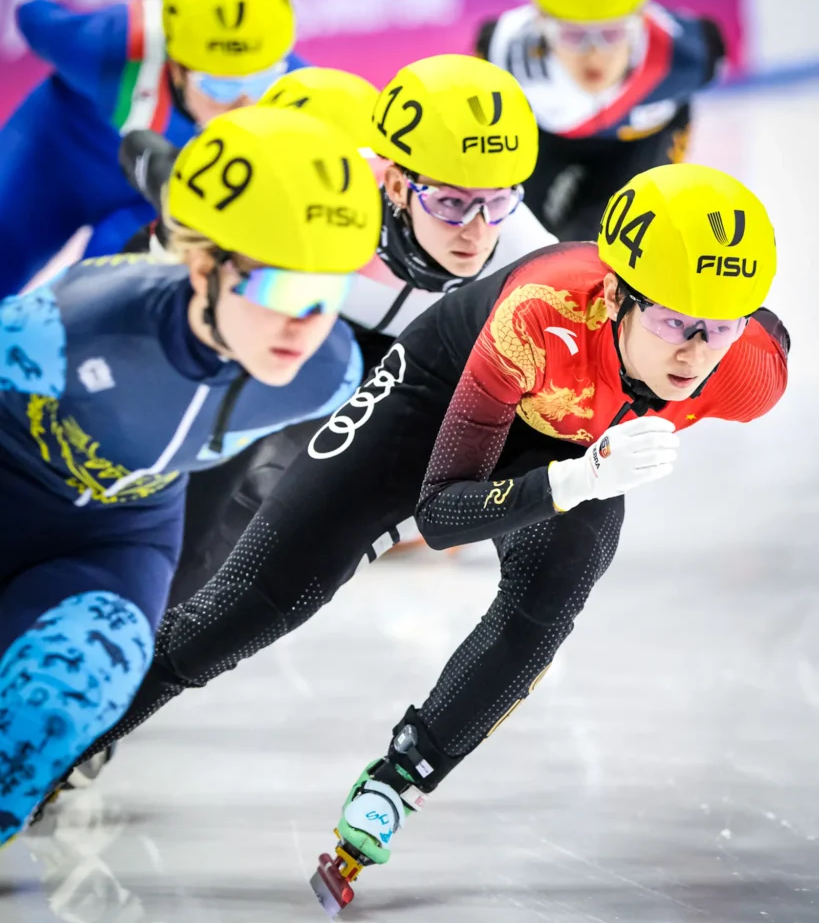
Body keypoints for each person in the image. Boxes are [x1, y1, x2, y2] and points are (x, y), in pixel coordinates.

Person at [72, 161, 789, 912]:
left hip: (576, 440)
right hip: (440, 400)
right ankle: (64, 735)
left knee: (557, 583)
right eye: (675, 322)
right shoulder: (535, 313)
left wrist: (585, 472)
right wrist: (582, 477)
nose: (695, 353)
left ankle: (401, 778)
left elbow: (738, 342)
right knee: (251, 605)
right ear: (614, 295)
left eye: (719, 327)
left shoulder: (746, 374)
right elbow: (443, 516)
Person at [0, 105, 382, 844]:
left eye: (328, 293)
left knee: (76, 691)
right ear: (202, 267)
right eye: (279, 290)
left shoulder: (327, 371)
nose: (304, 324)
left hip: (115, 538)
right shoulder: (77, 325)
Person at [115, 56, 554, 606]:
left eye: (497, 202)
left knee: (269, 493)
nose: (475, 227)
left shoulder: (528, 259)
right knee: (231, 469)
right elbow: (168, 191)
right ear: (395, 185)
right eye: (449, 202)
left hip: (414, 365)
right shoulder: (330, 204)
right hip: (319, 338)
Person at [0, 0, 304, 298]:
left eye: (261, 80)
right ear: (175, 68)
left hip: (150, 197)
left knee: (102, 307)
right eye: (220, 86)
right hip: (53, 164)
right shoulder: (108, 46)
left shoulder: (296, 89)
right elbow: (33, 17)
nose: (245, 103)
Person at [477, 0, 726, 240]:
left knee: (609, 242)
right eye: (573, 34)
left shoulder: (689, 58)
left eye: (612, 33)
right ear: (539, 20)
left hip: (642, 139)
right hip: (543, 137)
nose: (594, 53)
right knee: (516, 234)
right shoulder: (503, 52)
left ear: (641, 18)